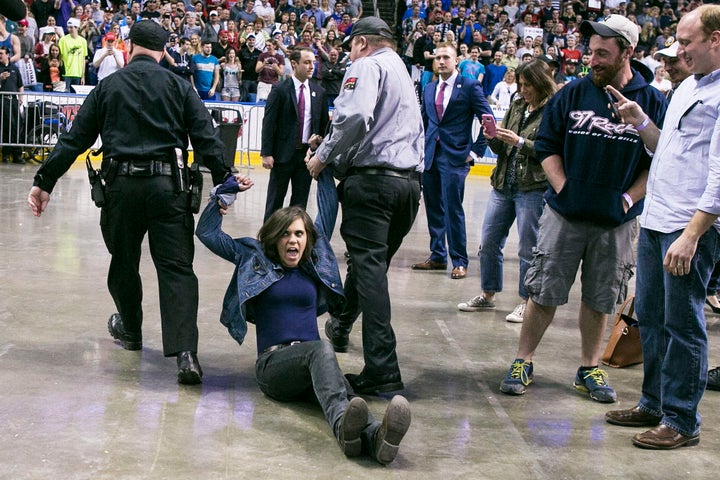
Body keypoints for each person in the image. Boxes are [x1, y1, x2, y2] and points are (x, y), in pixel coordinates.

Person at [27, 19, 232, 385]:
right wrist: (225, 182)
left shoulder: (107, 87)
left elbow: (74, 140)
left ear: (129, 45)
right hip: (169, 188)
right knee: (176, 268)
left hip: (120, 188)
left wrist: (45, 181)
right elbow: (206, 136)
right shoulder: (178, 86)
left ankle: (132, 331)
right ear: (163, 50)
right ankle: (185, 353)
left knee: (124, 262)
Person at [498, 15, 667, 403]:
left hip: (617, 222)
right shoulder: (572, 93)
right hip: (564, 214)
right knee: (542, 291)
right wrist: (563, 188)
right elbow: (546, 145)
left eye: (603, 54)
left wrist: (628, 199)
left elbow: (657, 160)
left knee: (601, 298)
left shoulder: (651, 100)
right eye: (591, 53)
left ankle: (589, 367)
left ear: (628, 52)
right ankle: (523, 360)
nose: (593, 60)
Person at [195, 177, 412, 465]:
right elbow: (207, 232)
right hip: (274, 368)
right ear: (274, 238)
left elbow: (327, 208)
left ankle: (376, 439)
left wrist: (323, 169)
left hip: (310, 365)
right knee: (322, 350)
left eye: (299, 234)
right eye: (285, 234)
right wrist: (226, 193)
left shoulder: (315, 263)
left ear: (308, 239)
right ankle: (346, 431)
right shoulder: (252, 257)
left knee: (342, 395)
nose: (293, 240)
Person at [604, 5, 720, 450]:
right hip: (657, 221)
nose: (679, 52)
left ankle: (682, 419)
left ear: (714, 40)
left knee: (683, 325)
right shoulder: (689, 86)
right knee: (650, 318)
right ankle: (653, 402)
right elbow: (666, 151)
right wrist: (643, 123)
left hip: (689, 227)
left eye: (687, 43)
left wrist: (693, 235)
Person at [306, 17, 424, 395]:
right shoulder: (403, 72)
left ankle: (383, 369)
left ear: (361, 43)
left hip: (373, 184)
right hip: (407, 185)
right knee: (369, 265)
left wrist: (323, 156)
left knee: (370, 272)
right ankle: (341, 324)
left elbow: (354, 115)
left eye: (349, 47)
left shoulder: (366, 65)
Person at [457, 59, 555, 324]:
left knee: (527, 248)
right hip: (502, 184)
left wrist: (521, 142)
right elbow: (501, 150)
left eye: (528, 85)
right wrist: (492, 137)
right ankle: (487, 294)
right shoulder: (517, 104)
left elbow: (550, 150)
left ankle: (527, 301)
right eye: (521, 84)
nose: (523, 90)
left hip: (532, 187)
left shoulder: (553, 110)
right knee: (488, 242)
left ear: (541, 83)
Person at [411, 43, 493, 280]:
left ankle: (459, 260)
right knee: (434, 209)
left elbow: (487, 121)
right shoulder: (428, 87)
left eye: (446, 57)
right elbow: (425, 124)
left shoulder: (469, 86)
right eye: (437, 58)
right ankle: (437, 255)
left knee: (453, 210)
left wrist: (476, 152)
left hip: (455, 158)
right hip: (431, 157)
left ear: (457, 60)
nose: (441, 61)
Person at [261, 47, 328, 221]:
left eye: (313, 62)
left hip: (306, 157)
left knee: (299, 204)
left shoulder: (319, 92)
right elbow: (269, 123)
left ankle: (294, 237)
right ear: (294, 64)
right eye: (306, 62)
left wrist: (319, 141)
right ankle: (268, 241)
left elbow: (322, 125)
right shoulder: (280, 89)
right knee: (275, 200)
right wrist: (266, 153)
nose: (311, 66)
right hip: (282, 155)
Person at [0, 46, 23, 164]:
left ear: (8, 55)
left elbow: (20, 84)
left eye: (2, 53)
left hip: (14, 100)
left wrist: (21, 98)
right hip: (3, 100)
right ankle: (6, 154)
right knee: (6, 126)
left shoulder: (15, 69)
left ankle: (17, 154)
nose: (0, 56)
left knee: (16, 126)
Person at [57, 17, 87, 91]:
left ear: (76, 28)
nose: (69, 29)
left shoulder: (83, 41)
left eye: (71, 27)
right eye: (68, 27)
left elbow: (83, 59)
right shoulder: (63, 40)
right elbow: (59, 56)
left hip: (77, 73)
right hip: (66, 73)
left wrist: (83, 76)